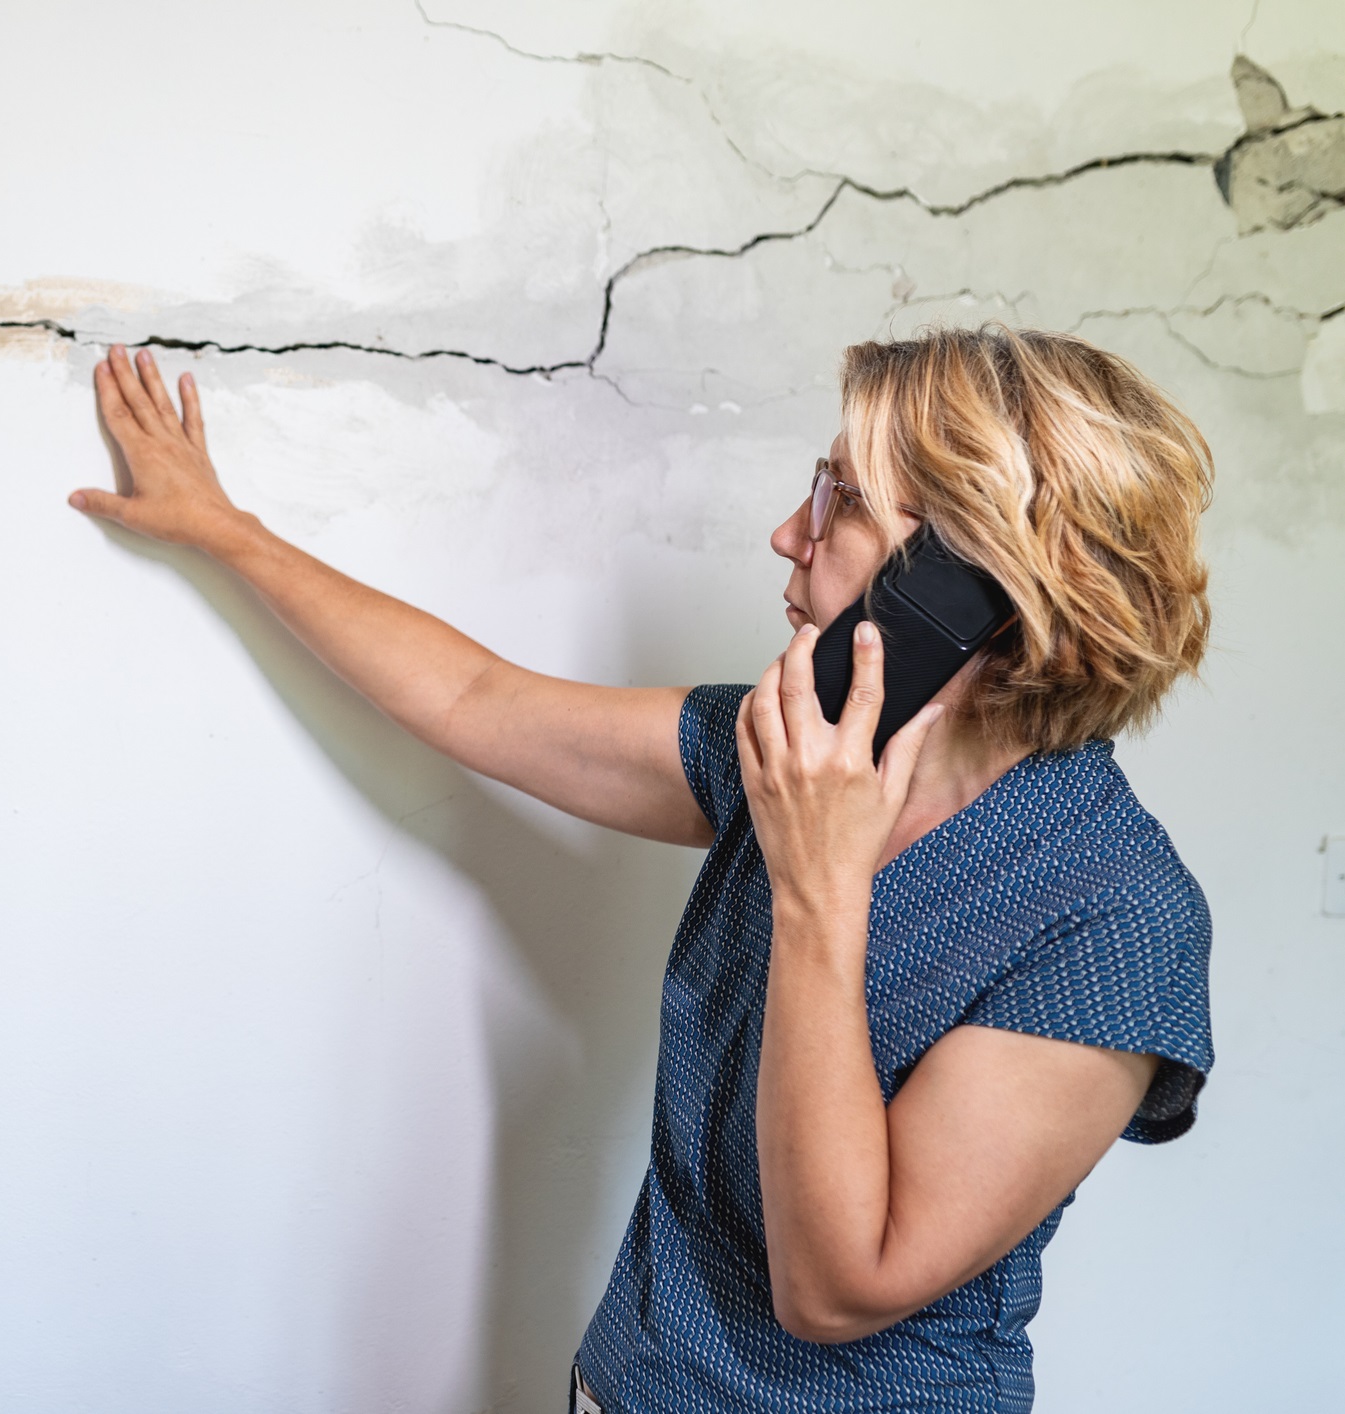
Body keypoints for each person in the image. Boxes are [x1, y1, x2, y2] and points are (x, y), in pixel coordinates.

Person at [68, 326, 1214, 1414]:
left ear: (970, 585)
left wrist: (821, 889)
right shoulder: (778, 749)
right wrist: (225, 528)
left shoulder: (1112, 915)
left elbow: (838, 1284)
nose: (786, 532)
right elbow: (478, 701)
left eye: (841, 500)